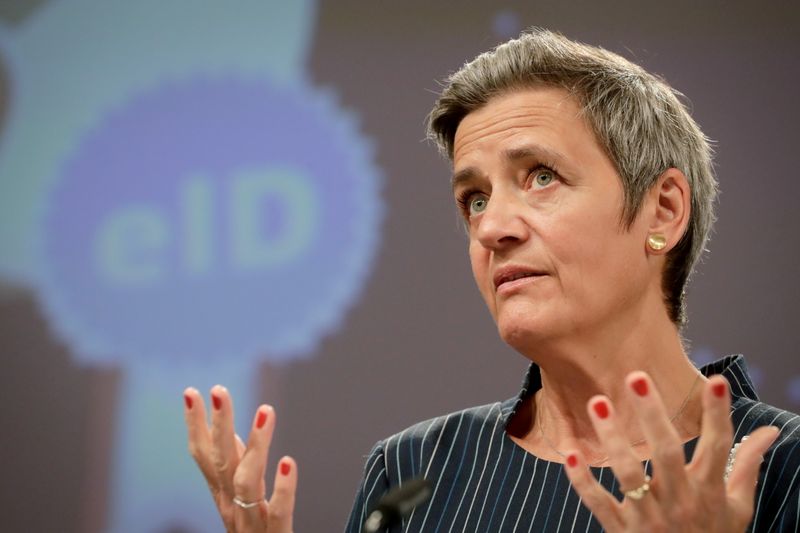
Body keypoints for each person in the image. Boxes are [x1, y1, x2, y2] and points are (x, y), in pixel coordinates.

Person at [183, 29, 800, 532]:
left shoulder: (782, 469)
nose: (492, 228)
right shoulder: (412, 473)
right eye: (474, 199)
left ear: (663, 210)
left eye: (540, 177)